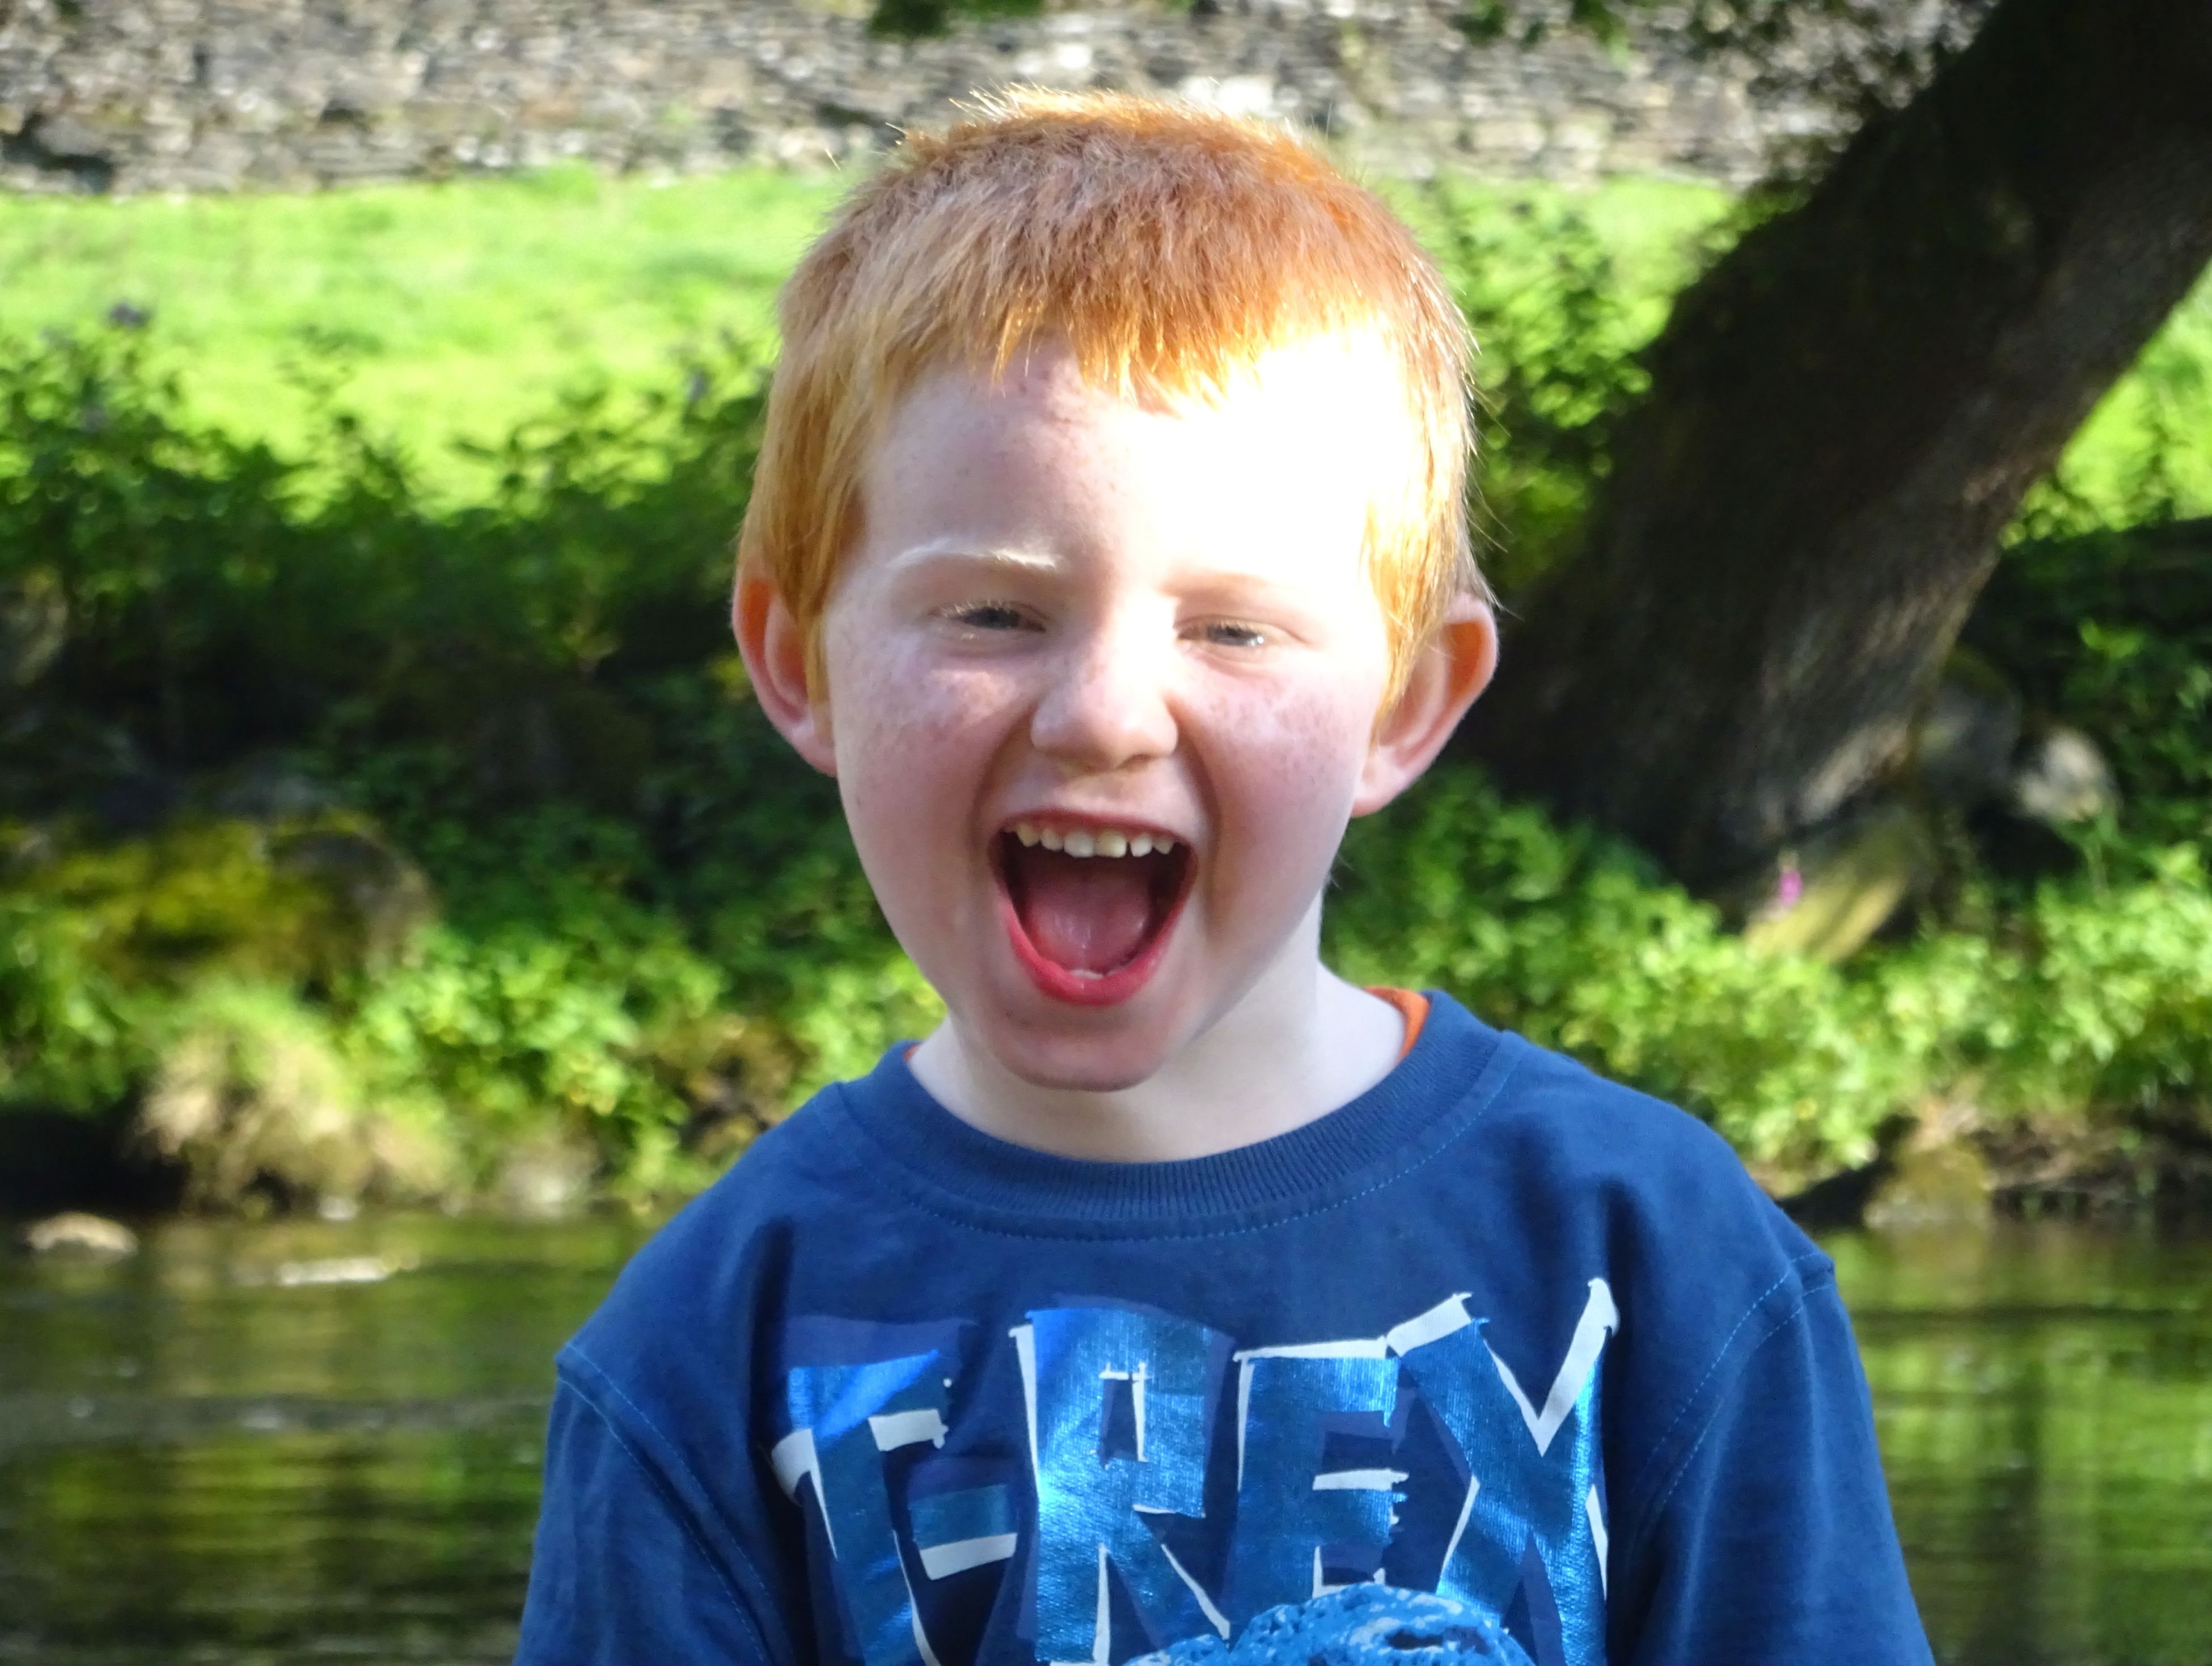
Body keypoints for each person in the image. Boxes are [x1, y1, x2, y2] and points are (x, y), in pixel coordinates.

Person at [513, 90, 1932, 1666]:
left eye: (1234, 628)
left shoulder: (1652, 1262)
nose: (1106, 715)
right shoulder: (710, 1346)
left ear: (1405, 703)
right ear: (800, 664)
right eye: (993, 615)